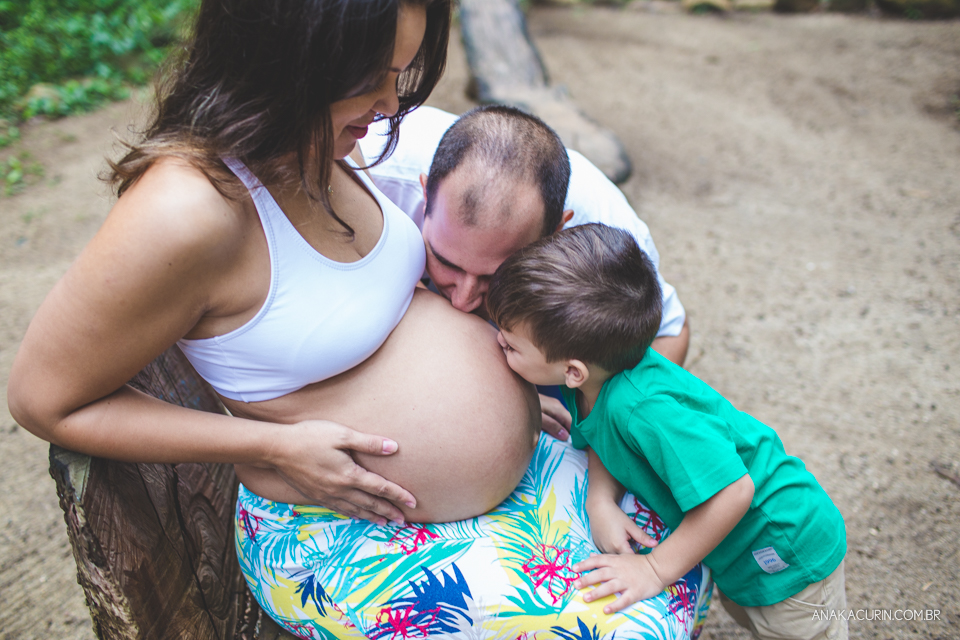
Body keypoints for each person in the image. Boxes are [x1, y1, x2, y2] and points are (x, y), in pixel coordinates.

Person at [8, 1, 712, 637]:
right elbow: (45, 400)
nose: (389, 102)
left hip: (467, 494)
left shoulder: (331, 146)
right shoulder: (184, 210)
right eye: (373, 75)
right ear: (293, 59)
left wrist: (513, 391)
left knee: (672, 551)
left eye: (400, 74)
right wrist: (268, 448)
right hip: (338, 525)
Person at [487, 223, 848, 640]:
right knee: (748, 608)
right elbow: (602, 434)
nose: (498, 343)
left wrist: (654, 569)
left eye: (511, 344)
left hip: (786, 545)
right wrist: (601, 500)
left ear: (572, 371)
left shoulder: (646, 409)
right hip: (737, 550)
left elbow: (734, 491)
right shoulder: (593, 379)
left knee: (791, 625)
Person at [358, 105, 690, 438]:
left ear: (558, 231)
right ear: (425, 193)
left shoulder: (608, 240)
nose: (463, 300)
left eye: (496, 275)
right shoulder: (368, 175)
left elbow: (669, 333)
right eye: (445, 261)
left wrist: (600, 426)